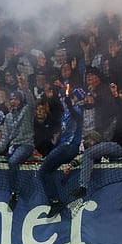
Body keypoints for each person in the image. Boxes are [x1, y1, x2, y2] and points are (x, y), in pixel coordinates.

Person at [39, 88, 84, 218]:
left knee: (43, 170)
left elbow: (75, 115)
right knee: (47, 169)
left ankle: (55, 201)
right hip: (63, 147)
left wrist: (69, 102)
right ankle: (56, 200)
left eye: (74, 97)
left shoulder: (77, 110)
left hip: (70, 147)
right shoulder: (65, 114)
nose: (72, 99)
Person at [0, 85, 35, 210]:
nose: (13, 101)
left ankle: (14, 193)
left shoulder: (27, 110)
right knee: (7, 162)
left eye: (16, 99)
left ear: (20, 100)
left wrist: (26, 87)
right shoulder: (8, 117)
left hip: (26, 145)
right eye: (11, 99)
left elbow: (31, 102)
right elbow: (5, 138)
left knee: (13, 161)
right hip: (13, 146)